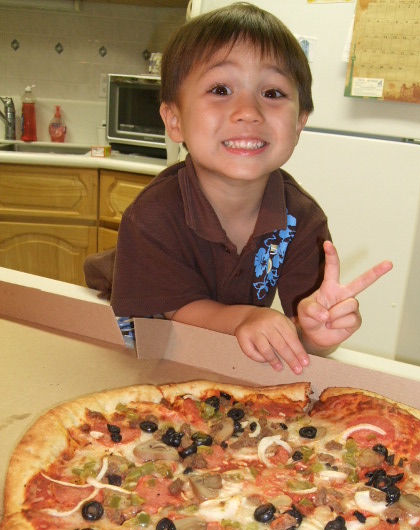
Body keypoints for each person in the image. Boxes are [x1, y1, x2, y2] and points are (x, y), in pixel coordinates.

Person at [86, 2, 392, 374]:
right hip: (136, 323)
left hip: (218, 344)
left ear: (299, 123)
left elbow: (300, 337)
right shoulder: (151, 215)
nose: (248, 111)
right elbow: (175, 312)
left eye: (273, 93)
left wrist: (318, 334)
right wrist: (246, 318)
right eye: (220, 89)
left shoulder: (302, 220)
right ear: (175, 120)